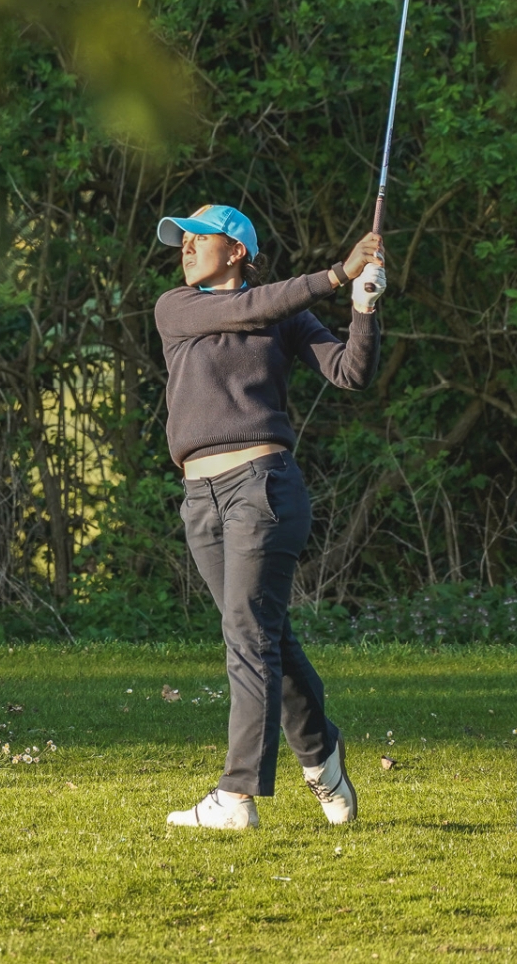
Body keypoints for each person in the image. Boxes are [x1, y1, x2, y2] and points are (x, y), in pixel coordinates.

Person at [153, 202, 386, 830]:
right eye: (182, 240)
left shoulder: (285, 313)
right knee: (265, 635)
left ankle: (236, 796)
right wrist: (335, 274)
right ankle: (323, 757)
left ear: (236, 250)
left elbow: (349, 372)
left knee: (248, 633)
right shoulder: (177, 307)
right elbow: (248, 309)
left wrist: (363, 307)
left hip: (261, 489)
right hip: (200, 499)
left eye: (198, 238)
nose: (185, 248)